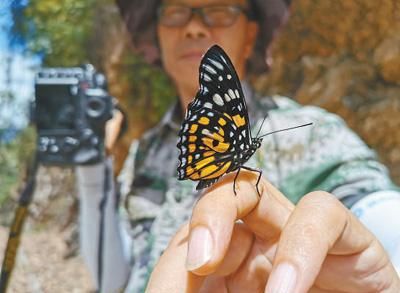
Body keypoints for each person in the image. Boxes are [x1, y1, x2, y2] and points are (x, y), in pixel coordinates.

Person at [76, 0, 400, 292]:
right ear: (158, 35)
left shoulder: (309, 132)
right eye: (175, 13)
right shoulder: (143, 152)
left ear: (250, 35)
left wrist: (387, 268)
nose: (193, 27)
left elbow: (374, 207)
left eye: (219, 11)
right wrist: (92, 170)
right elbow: (113, 278)